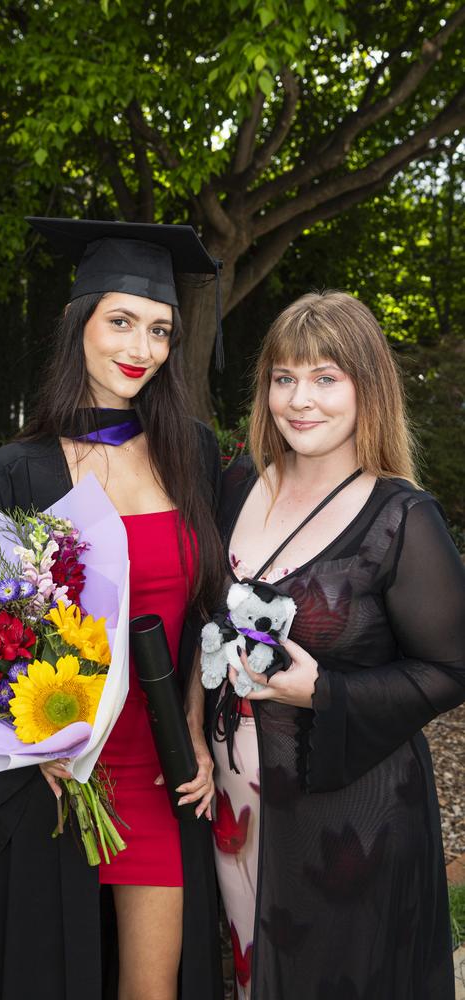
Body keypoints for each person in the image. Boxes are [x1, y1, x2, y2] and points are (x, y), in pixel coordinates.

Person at [0, 218, 225, 1000]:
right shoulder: (3, 482)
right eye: (121, 321)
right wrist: (22, 746)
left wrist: (200, 726)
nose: (140, 347)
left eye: (160, 330)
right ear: (80, 323)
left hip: (161, 779)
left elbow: (214, 611)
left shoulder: (195, 457)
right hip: (52, 788)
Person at [209, 290, 465, 1000]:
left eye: (326, 378)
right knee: (247, 977)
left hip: (347, 820)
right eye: (284, 377)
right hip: (234, 806)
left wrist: (324, 693)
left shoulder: (402, 517)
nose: (301, 399)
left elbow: (452, 668)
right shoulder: (237, 485)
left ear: (367, 388)